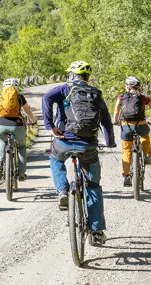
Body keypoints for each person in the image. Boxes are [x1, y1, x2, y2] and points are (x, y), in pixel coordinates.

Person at [42, 61, 115, 246]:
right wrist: (110, 141)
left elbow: (46, 99)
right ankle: (97, 230)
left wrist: (50, 126)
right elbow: (106, 120)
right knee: (93, 185)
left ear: (72, 75)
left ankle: (62, 191)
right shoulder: (96, 94)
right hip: (88, 146)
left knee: (55, 158)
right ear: (87, 77)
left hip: (64, 141)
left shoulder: (65, 89)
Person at [113, 76, 151, 187]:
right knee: (145, 136)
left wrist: (116, 121)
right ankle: (147, 155)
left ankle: (126, 176)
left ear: (127, 86)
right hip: (141, 125)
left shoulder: (121, 97)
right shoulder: (144, 97)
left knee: (127, 150)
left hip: (126, 127)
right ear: (138, 86)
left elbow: (117, 110)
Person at [0, 78, 37, 181]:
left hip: (1, 125)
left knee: (3, 140)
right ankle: (21, 174)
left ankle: (0, 163)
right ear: (16, 87)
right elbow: (28, 111)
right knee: (22, 147)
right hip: (17, 125)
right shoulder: (20, 97)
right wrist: (33, 121)